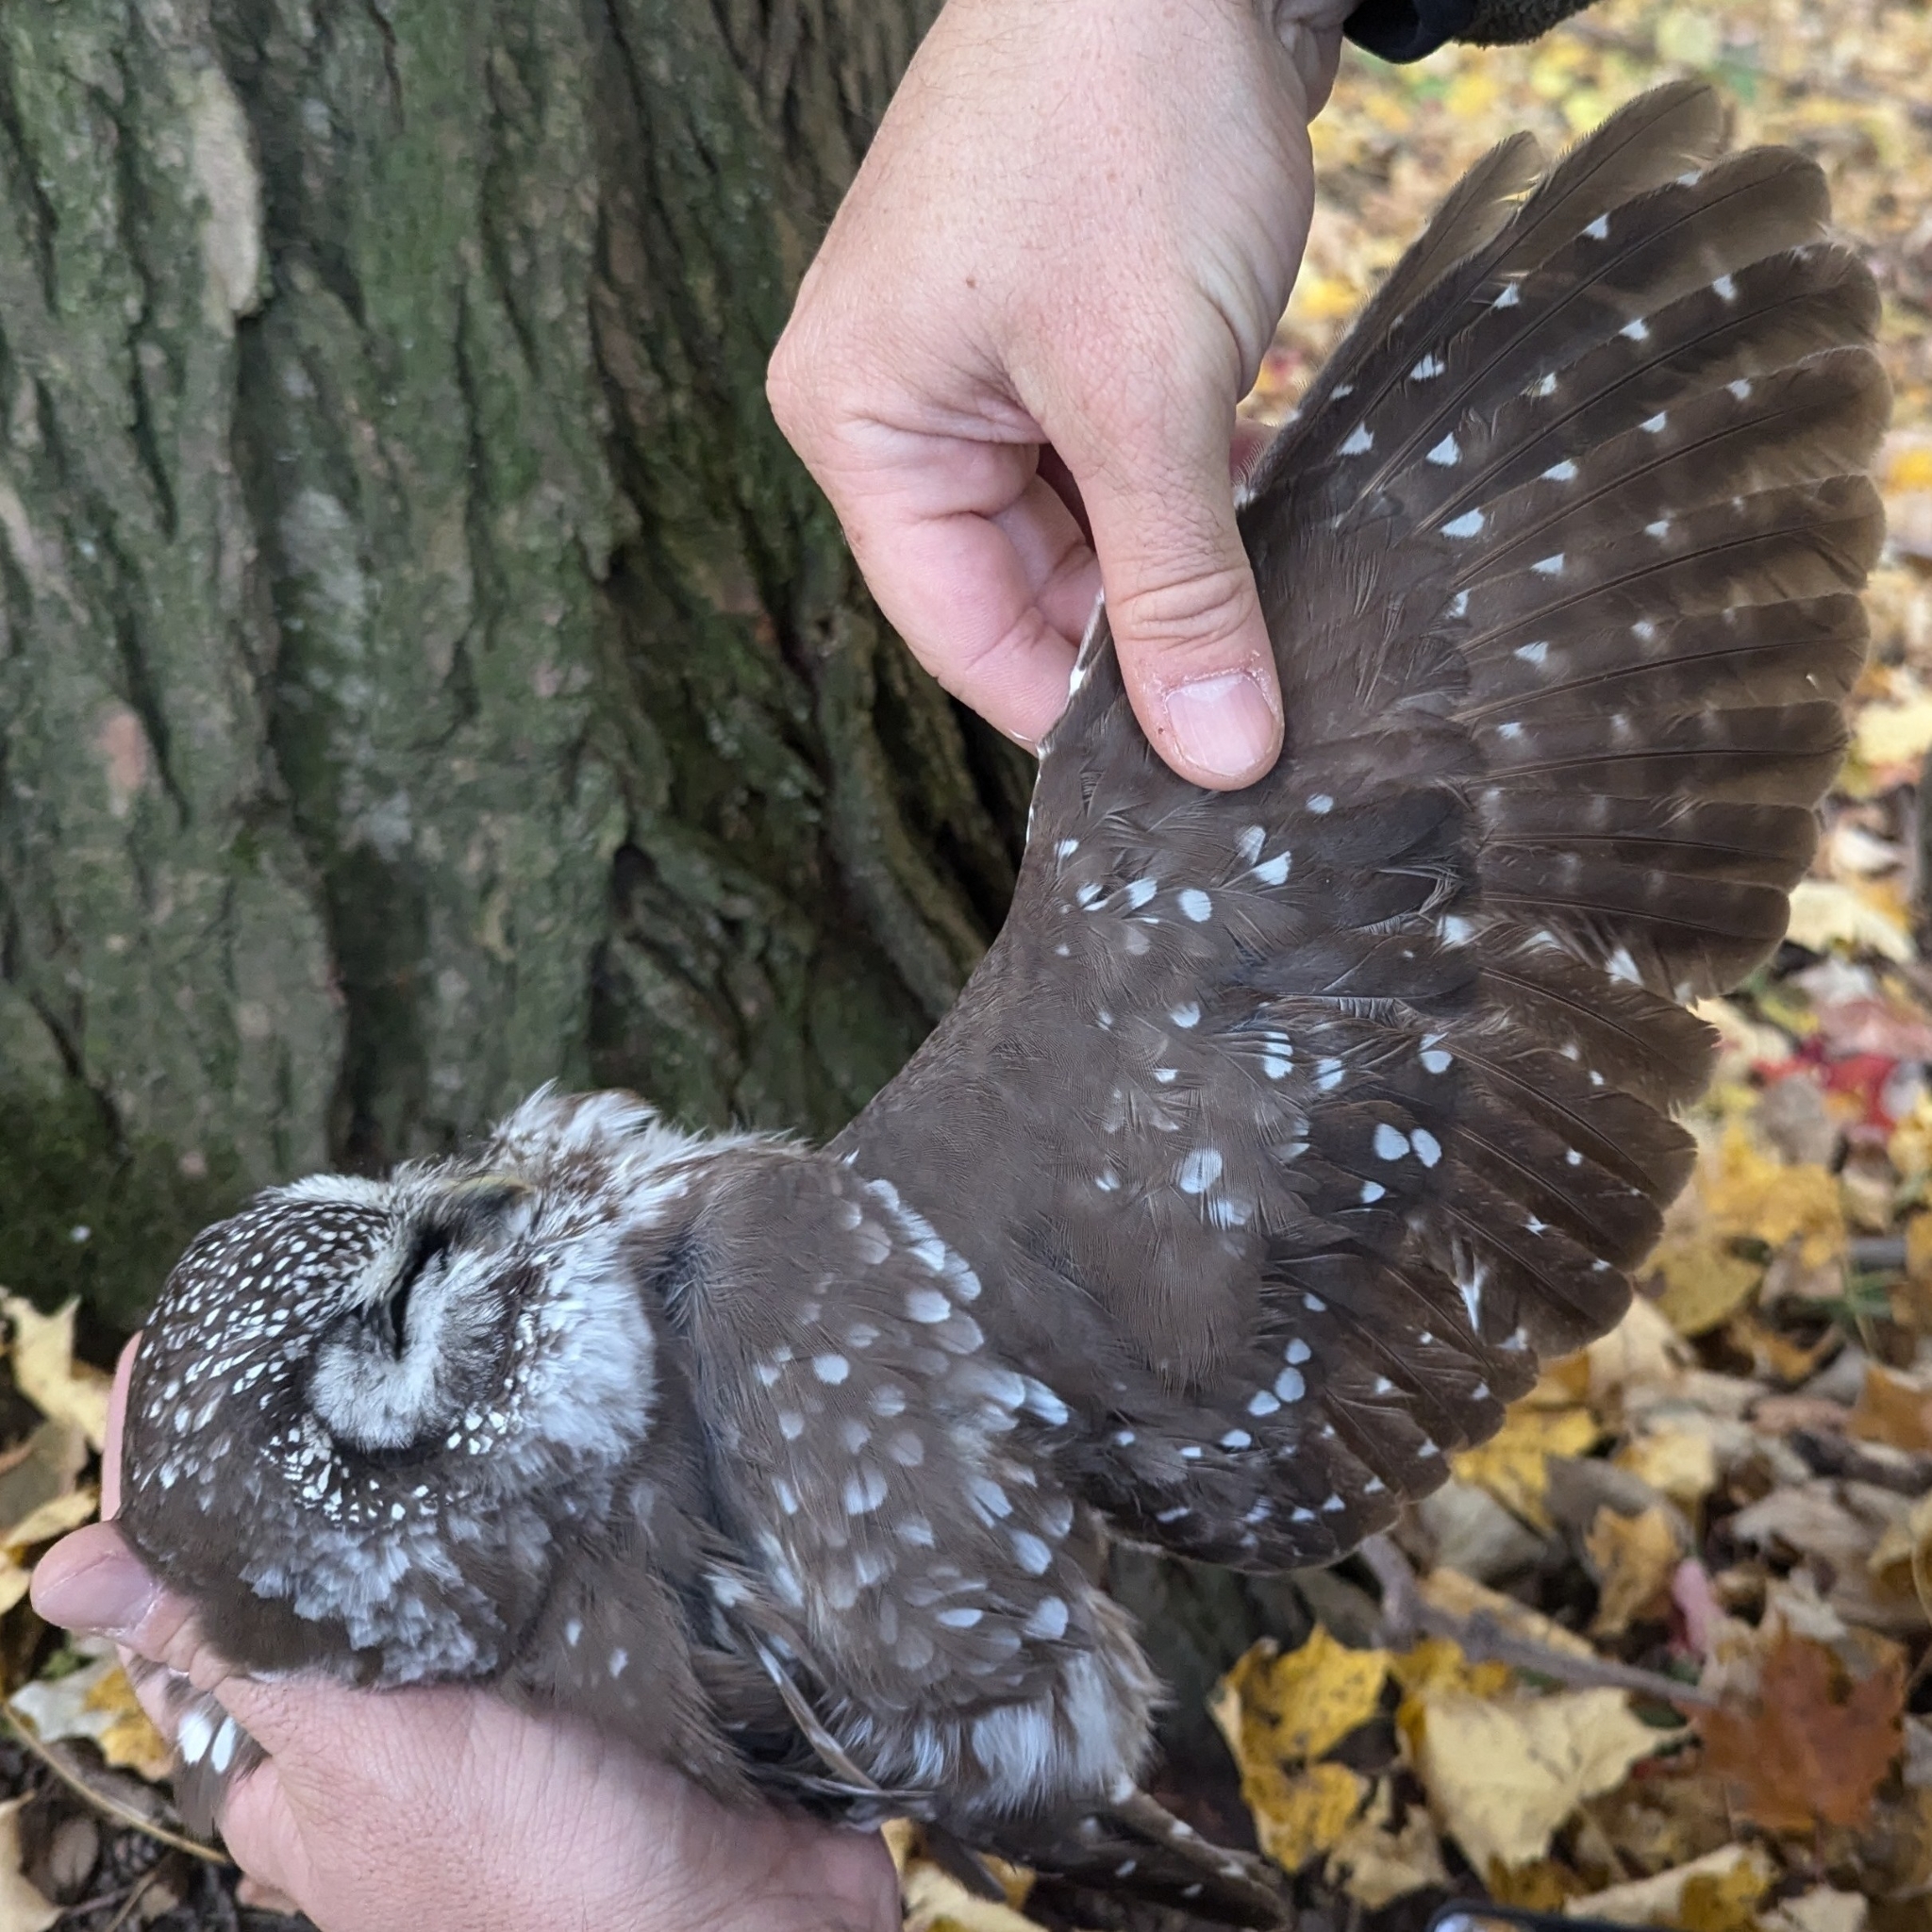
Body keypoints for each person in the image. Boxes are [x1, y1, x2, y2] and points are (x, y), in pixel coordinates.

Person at [32, 0, 1592, 1924]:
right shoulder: (751, 1305)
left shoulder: (549, 1535)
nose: (474, 1200)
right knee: (1190, 827)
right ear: (398, 1417)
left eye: (408, 1206)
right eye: (427, 1270)